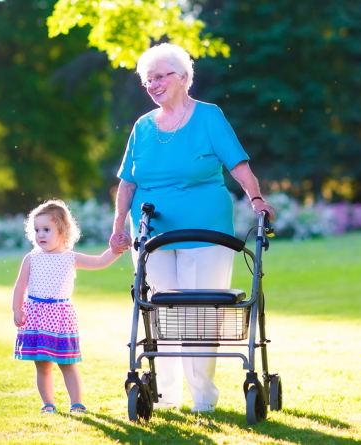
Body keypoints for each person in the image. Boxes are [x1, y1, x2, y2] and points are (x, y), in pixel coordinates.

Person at [109, 43, 276, 413]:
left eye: (161, 76)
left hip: (206, 231)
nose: (153, 84)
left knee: (199, 313)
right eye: (147, 79)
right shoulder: (142, 127)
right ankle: (166, 395)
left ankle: (203, 398)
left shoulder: (209, 117)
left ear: (183, 77)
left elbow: (238, 164)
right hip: (153, 235)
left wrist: (256, 200)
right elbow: (128, 182)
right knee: (160, 313)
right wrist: (118, 225)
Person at [13, 199, 124, 414]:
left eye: (47, 229)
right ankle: (48, 403)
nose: (41, 235)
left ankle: (76, 403)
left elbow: (100, 261)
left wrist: (117, 250)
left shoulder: (70, 258)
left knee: (67, 363)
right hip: (35, 315)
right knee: (42, 364)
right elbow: (20, 286)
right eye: (37, 230)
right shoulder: (31, 258)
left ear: (63, 231)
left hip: (60, 316)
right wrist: (17, 309)